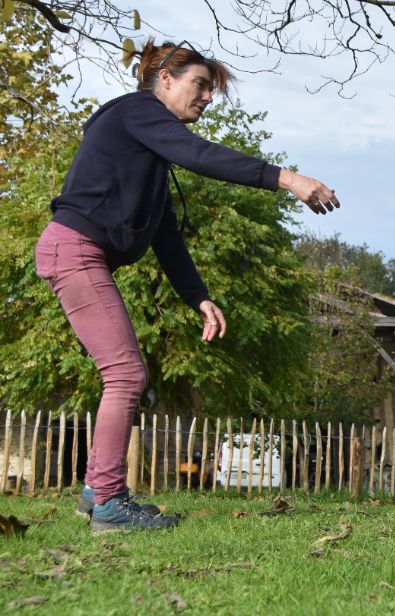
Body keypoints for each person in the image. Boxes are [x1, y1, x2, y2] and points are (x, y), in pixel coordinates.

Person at [34, 39, 340, 534]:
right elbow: (199, 154)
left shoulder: (148, 148)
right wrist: (286, 178)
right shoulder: (136, 111)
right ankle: (109, 504)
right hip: (73, 249)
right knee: (126, 374)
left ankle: (97, 490)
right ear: (165, 80)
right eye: (200, 84)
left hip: (77, 251)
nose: (207, 96)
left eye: (211, 89)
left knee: (126, 373)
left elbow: (165, 232)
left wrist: (198, 296)